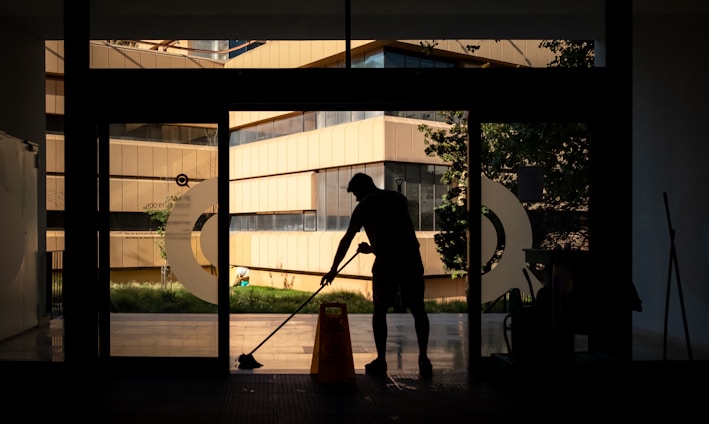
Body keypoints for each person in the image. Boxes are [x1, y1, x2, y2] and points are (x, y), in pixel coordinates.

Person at [322, 172, 433, 379]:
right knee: (418, 308)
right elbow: (398, 235)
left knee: (380, 310)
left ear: (362, 189)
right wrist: (373, 248)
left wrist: (334, 269)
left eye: (355, 193)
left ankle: (381, 360)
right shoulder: (398, 199)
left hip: (386, 264)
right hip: (411, 259)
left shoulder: (365, 205)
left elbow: (347, 238)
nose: (355, 198)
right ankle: (424, 359)